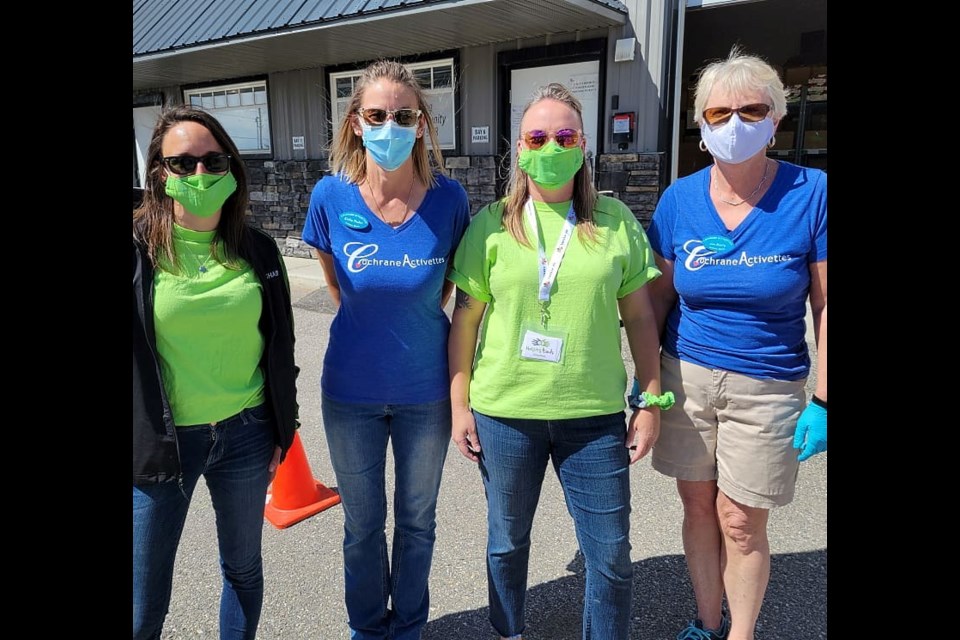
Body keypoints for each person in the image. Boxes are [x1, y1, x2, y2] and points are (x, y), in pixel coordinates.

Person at [448, 82, 667, 640]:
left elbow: (641, 318)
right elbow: (466, 321)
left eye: (564, 135)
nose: (550, 147)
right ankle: (509, 631)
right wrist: (459, 405)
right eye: (537, 137)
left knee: (612, 555)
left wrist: (649, 399)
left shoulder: (615, 220)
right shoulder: (492, 224)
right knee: (507, 541)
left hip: (591, 418)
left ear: (584, 146)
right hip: (504, 413)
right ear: (519, 149)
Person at [644, 47, 827, 640]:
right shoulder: (678, 200)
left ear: (777, 119)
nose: (735, 125)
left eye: (752, 110)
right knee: (698, 509)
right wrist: (646, 380)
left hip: (767, 382)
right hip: (685, 377)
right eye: (719, 113)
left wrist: (825, 399)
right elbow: (658, 299)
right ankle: (705, 621)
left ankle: (741, 634)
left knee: (741, 521)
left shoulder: (813, 192)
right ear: (701, 127)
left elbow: (826, 304)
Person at [301, 59, 471, 639]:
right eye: (376, 115)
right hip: (350, 393)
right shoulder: (329, 196)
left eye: (403, 115)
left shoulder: (450, 200)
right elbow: (335, 287)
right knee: (362, 526)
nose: (390, 125)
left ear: (423, 124)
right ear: (355, 122)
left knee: (418, 522)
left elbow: (449, 288)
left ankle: (409, 628)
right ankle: (368, 628)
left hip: (426, 393)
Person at [133, 105, 300, 640]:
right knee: (143, 600)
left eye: (213, 161)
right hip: (163, 444)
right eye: (182, 164)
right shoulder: (139, 250)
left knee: (244, 571)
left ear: (231, 167)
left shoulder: (257, 249)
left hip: (246, 433)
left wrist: (284, 426)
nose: (200, 175)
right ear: (159, 172)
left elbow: (280, 345)